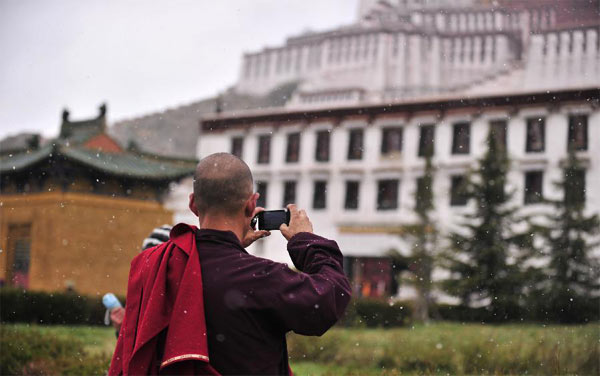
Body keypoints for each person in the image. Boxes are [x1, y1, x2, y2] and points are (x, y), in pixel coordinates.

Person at [109, 152, 351, 375]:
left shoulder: (154, 263)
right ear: (250, 204)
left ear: (193, 204)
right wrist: (305, 242)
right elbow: (330, 297)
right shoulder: (261, 277)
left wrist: (228, 250)